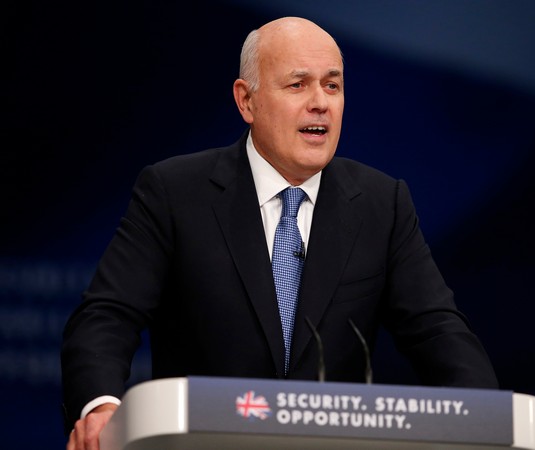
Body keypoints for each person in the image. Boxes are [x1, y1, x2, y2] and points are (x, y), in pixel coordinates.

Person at [62, 16, 498, 450]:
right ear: (246, 101)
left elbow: (438, 330)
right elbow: (108, 316)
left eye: (332, 85)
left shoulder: (382, 204)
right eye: (297, 85)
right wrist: (101, 406)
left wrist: (486, 418)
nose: (320, 103)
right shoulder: (175, 192)